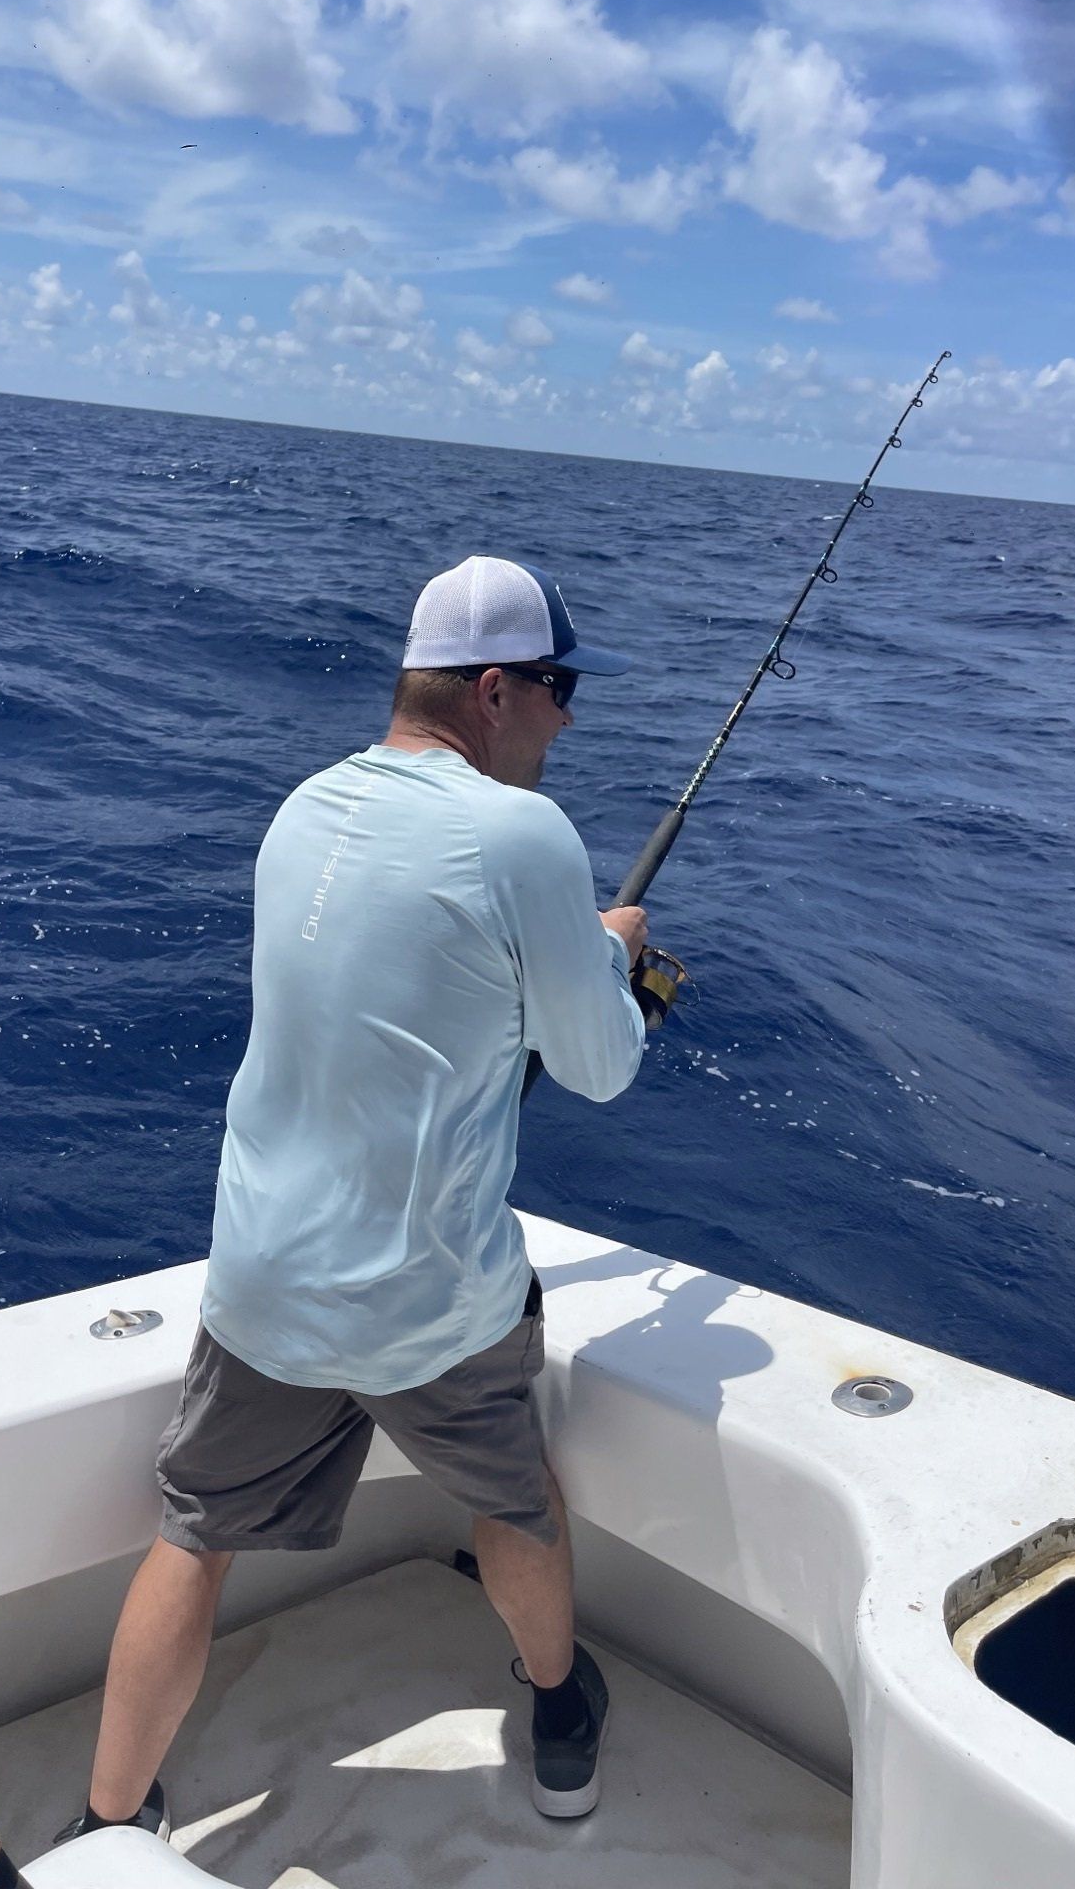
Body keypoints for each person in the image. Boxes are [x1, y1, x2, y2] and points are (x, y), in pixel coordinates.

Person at [61, 554, 648, 1843]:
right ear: (496, 690)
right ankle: (558, 1723)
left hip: (262, 1281)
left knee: (192, 1536)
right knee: (515, 1500)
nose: (567, 718)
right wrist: (613, 958)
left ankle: (108, 1828)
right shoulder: (524, 834)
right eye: (559, 690)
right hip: (431, 1302)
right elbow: (597, 1068)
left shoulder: (303, 807)